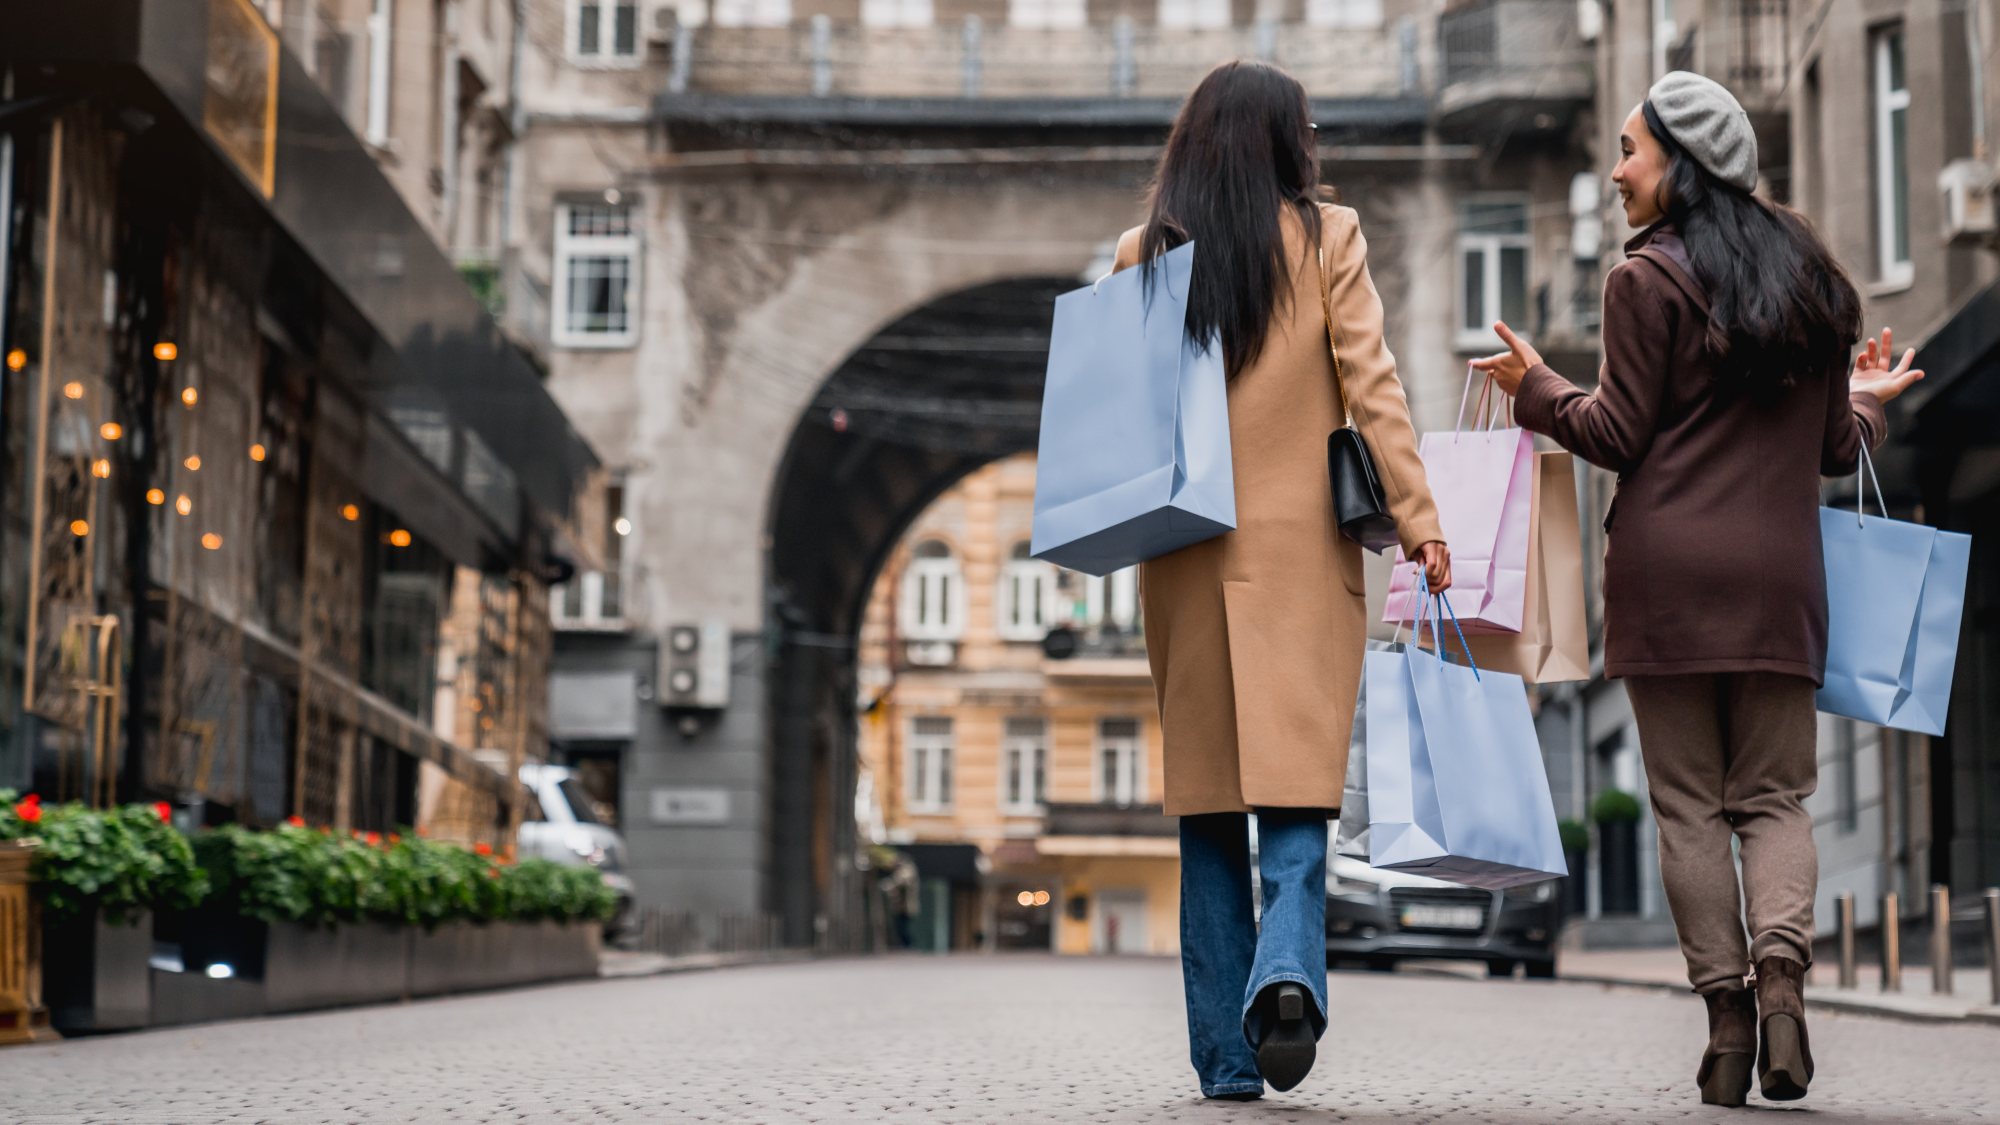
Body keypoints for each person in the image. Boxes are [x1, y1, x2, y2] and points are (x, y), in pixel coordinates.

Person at [1472, 72, 1925, 1108]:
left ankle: (1723, 1028)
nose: (1614, 169)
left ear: (1681, 160)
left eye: (1628, 149)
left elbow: (1614, 433)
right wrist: (1866, 401)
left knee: (1685, 808)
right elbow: (1826, 451)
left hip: (1665, 581)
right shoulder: (1811, 275)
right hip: (1776, 581)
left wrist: (1534, 390)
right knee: (1772, 799)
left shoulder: (1642, 282)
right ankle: (1779, 996)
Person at [1108, 60, 1450, 1101]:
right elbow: (1372, 386)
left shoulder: (1145, 254)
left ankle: (1224, 1059)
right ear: (1275, 141)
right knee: (1295, 792)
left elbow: (1122, 424)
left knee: (1207, 809)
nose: (1317, 144)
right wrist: (1420, 520)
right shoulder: (1326, 236)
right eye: (1306, 127)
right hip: (1300, 562)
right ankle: (1289, 972)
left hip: (1184, 561)